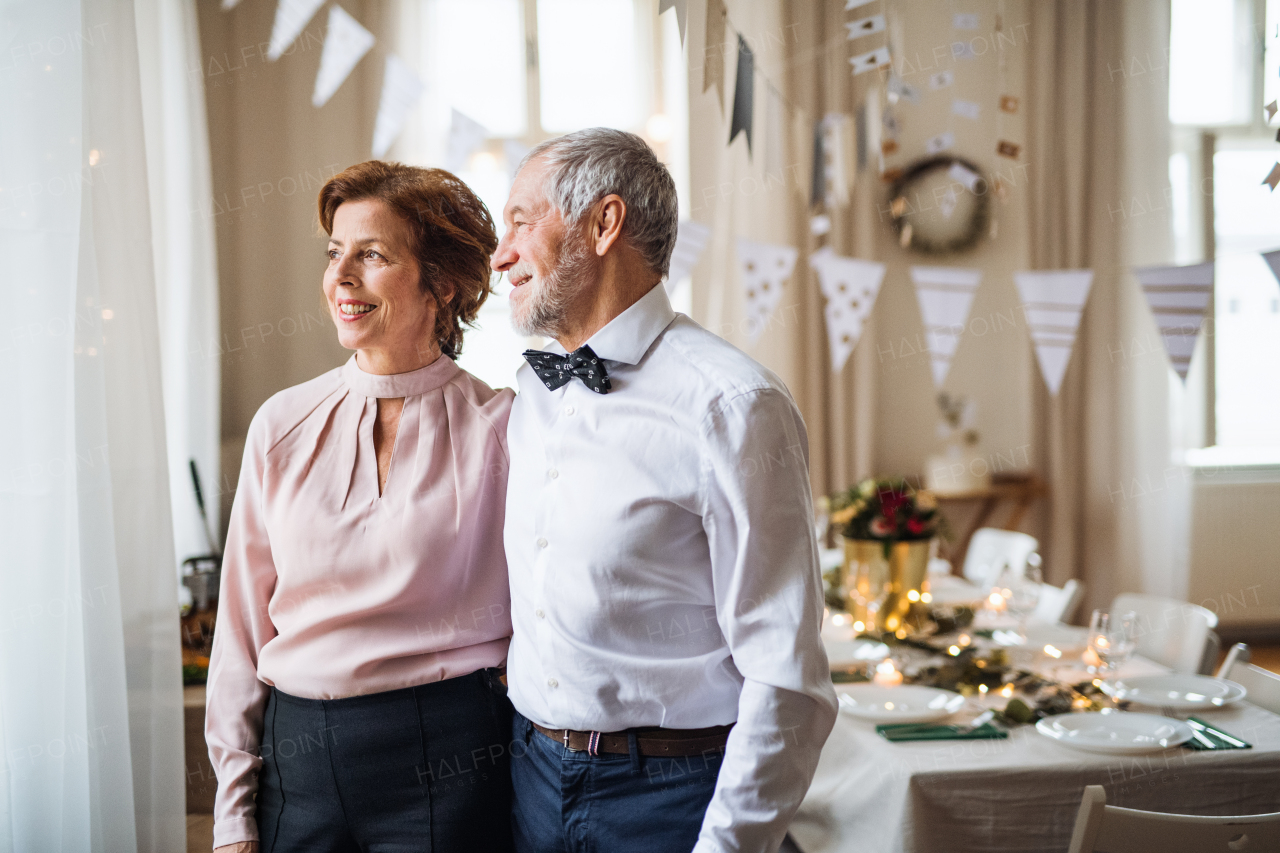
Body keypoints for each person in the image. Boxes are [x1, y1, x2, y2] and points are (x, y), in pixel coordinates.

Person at [493, 128, 837, 853]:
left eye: (522, 220)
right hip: (526, 780)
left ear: (603, 223)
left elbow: (788, 677)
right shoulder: (530, 394)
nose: (502, 252)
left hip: (672, 797)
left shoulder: (733, 405)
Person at [206, 161, 516, 853]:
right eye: (334, 252)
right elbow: (240, 628)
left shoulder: (503, 428)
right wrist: (233, 816)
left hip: (452, 757)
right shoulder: (281, 423)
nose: (340, 275)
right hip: (297, 762)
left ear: (443, 283)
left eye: (371, 254)